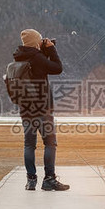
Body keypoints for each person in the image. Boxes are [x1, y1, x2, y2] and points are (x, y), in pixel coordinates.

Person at [13, 29, 70, 191]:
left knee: (29, 145)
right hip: (42, 108)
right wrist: (51, 49)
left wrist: (43, 51)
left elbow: (39, 66)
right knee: (50, 143)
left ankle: (31, 180)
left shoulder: (19, 57)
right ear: (35, 42)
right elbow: (57, 68)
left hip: (25, 109)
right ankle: (49, 180)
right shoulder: (37, 58)